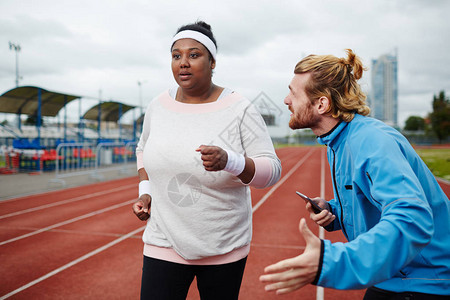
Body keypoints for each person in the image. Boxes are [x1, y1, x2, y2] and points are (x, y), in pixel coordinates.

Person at [260, 49, 450, 299]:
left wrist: (329, 263)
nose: (286, 100)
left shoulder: (372, 141)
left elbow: (413, 218)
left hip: (424, 280)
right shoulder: (337, 141)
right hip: (394, 275)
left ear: (322, 103)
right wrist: (334, 211)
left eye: (293, 93)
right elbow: (370, 197)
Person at [132, 20, 281, 300]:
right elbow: (143, 149)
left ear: (213, 62)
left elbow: (272, 171)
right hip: (162, 239)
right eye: (176, 56)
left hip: (223, 246)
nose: (183, 63)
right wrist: (146, 192)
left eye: (194, 54)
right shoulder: (157, 106)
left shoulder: (239, 108)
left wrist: (231, 161)